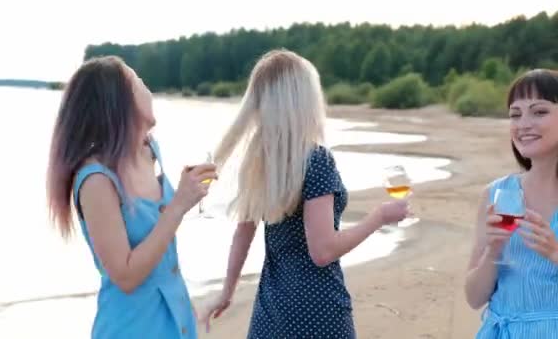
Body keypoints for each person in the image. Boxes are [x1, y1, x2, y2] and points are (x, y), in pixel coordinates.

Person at [199, 49, 410, 338]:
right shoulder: (316, 160)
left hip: (272, 312)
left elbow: (243, 232)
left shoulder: (261, 161)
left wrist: (227, 292)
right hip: (319, 311)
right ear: (303, 101)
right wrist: (379, 217)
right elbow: (322, 252)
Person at [45, 55, 216, 338]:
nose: (149, 90)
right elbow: (126, 276)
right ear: (121, 102)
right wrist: (179, 205)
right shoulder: (96, 179)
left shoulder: (150, 151)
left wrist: (190, 188)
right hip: (133, 327)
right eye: (140, 83)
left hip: (176, 319)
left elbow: (157, 226)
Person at [465, 69, 558, 338]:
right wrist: (493, 251)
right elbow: (473, 298)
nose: (523, 124)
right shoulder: (496, 194)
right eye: (515, 115)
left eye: (538, 112)